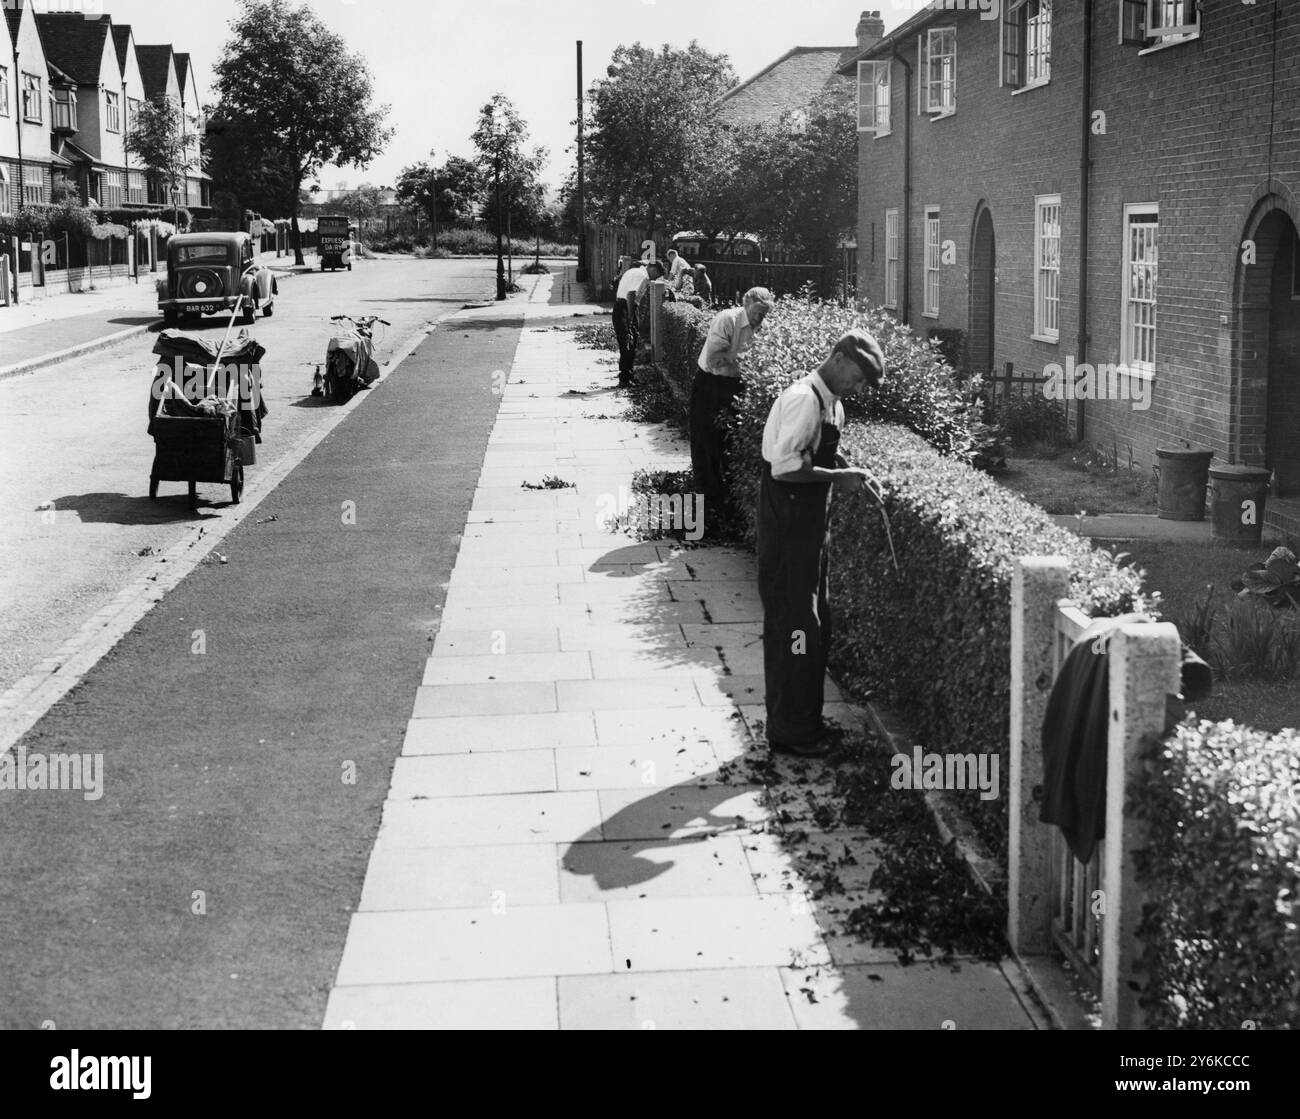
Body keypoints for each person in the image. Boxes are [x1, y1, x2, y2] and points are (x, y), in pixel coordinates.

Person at [758, 329, 886, 757]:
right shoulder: (803, 400)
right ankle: (789, 732)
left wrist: (853, 472)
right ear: (837, 358)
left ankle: (805, 724)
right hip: (788, 529)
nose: (860, 386)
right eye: (860, 375)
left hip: (811, 532)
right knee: (795, 629)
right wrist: (838, 480)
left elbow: (821, 455)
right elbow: (784, 468)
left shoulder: (833, 405)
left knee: (814, 627)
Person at [690, 287, 775, 521]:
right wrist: (744, 358)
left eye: (764, 314)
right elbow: (714, 360)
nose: (759, 319)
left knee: (731, 440)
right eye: (756, 313)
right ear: (745, 304)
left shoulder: (764, 328)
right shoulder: (727, 319)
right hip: (710, 383)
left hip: (737, 385)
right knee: (706, 440)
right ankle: (707, 500)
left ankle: (728, 498)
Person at [613, 259, 664, 387]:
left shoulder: (633, 270)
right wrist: (630, 316)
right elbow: (631, 294)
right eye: (656, 275)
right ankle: (625, 378)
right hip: (626, 308)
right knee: (628, 344)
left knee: (629, 342)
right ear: (653, 268)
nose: (654, 278)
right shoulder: (642, 275)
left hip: (620, 306)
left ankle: (628, 375)